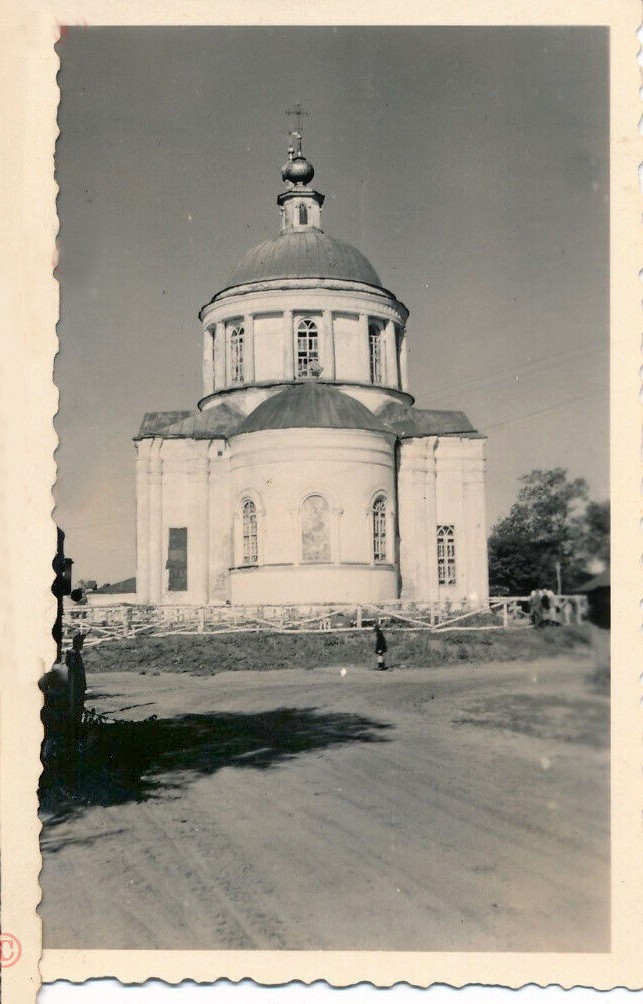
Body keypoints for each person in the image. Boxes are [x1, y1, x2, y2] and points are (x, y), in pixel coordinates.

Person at [65, 632, 87, 727]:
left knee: (79, 706)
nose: (82, 645)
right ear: (77, 644)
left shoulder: (76, 654)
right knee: (76, 706)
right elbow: (74, 670)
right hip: (75, 685)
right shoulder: (72, 654)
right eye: (81, 643)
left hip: (79, 684)